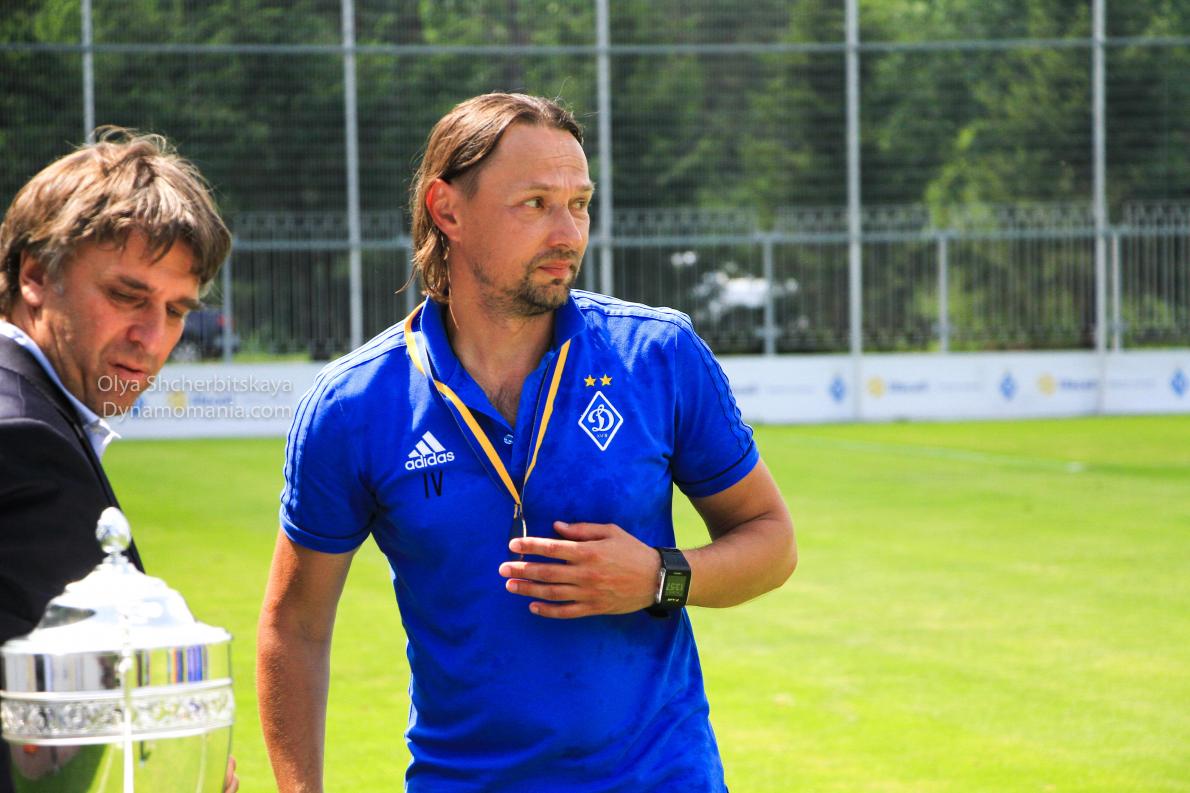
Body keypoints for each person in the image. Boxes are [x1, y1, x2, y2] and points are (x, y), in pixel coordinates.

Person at [257, 92, 796, 792]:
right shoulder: (354, 406)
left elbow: (771, 540)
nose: (568, 233)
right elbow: (295, 625)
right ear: (447, 209)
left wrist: (658, 576)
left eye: (580, 204)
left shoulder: (657, 355)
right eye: (536, 204)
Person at [0, 128, 237, 793]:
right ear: (35, 276)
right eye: (128, 296)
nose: (152, 337)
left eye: (176, 309)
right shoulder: (22, 437)